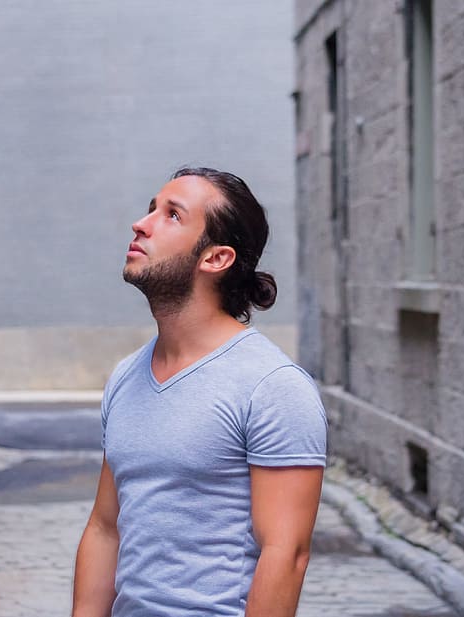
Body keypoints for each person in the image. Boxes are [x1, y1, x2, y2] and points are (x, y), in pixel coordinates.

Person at [72, 167, 327, 617]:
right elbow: (105, 528)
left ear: (215, 259)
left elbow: (286, 554)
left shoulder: (272, 385)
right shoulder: (126, 375)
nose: (142, 223)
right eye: (152, 208)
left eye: (172, 215)